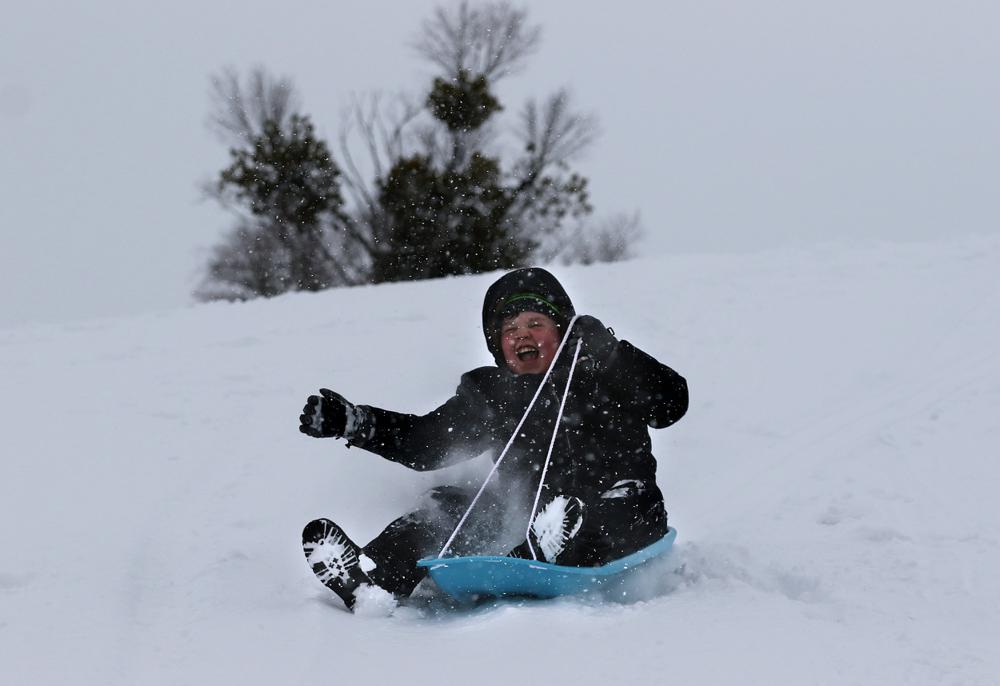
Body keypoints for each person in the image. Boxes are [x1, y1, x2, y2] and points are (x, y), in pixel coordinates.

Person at [299, 267, 688, 610]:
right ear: (497, 345)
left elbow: (671, 404)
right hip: (529, 523)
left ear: (562, 330)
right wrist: (355, 422)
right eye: (510, 330)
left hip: (622, 509)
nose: (523, 336)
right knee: (449, 506)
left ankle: (548, 546)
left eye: (536, 324)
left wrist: (614, 356)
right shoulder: (493, 395)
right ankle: (372, 579)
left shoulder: (601, 372)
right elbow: (425, 443)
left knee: (606, 508)